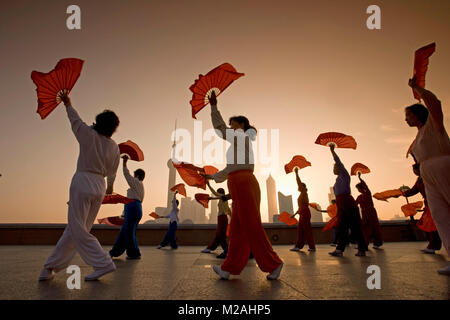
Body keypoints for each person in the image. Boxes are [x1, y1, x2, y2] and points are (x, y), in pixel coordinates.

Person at [39, 91, 120, 281]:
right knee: (75, 229)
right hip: (99, 186)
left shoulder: (88, 135)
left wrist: (68, 103)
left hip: (83, 181)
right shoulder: (114, 146)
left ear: (98, 122)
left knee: (78, 229)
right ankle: (50, 267)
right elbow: (113, 171)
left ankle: (104, 263)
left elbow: (75, 120)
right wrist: (109, 187)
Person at [202, 91, 283, 280]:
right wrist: (213, 176)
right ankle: (229, 268)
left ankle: (274, 264)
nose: (230, 127)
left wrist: (213, 107)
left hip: (243, 184)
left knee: (252, 226)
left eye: (233, 124)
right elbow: (232, 167)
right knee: (237, 229)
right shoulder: (239, 144)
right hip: (239, 183)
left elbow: (220, 129)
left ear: (242, 125)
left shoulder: (241, 137)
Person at [407, 78, 450, 275]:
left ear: (418, 114)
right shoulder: (417, 138)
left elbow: (435, 104)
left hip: (443, 166)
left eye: (408, 115)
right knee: (441, 216)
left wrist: (418, 89)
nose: (406, 119)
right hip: (428, 175)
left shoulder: (434, 124)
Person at [328, 144, 368, 257]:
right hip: (341, 203)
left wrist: (332, 151)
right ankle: (339, 250)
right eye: (333, 168)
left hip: (347, 202)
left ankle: (362, 249)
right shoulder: (337, 180)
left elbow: (338, 162)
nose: (334, 169)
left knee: (355, 225)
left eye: (335, 167)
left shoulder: (344, 175)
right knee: (341, 226)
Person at [109, 156, 145, 260]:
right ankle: (114, 252)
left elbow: (126, 175)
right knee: (127, 231)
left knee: (128, 232)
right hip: (136, 208)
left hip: (133, 207)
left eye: (134, 175)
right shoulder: (140, 186)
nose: (133, 177)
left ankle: (134, 253)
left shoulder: (136, 182)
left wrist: (124, 162)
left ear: (137, 176)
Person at [401, 163, 441, 254]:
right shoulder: (419, 179)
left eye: (415, 170)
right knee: (430, 225)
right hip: (428, 204)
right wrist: (402, 194)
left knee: (434, 225)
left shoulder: (428, 176)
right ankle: (432, 246)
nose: (414, 172)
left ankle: (433, 246)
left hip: (435, 201)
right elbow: (414, 190)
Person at [201, 181, 231, 258]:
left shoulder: (222, 197)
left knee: (221, 235)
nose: (217, 194)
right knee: (219, 235)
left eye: (218, 192)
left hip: (222, 218)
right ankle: (211, 248)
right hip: (223, 218)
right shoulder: (224, 200)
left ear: (220, 192)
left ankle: (227, 250)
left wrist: (209, 185)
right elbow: (229, 211)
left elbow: (215, 193)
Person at [290, 168, 316, 252]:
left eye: (300, 186)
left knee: (307, 229)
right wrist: (294, 215)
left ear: (303, 187)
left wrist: (296, 174)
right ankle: (298, 246)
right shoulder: (301, 194)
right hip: (302, 212)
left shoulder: (304, 193)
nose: (298, 187)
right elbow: (300, 207)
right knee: (300, 230)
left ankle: (312, 247)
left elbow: (298, 182)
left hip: (305, 212)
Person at [355, 172, 383, 249]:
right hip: (364, 213)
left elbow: (365, 186)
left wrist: (360, 178)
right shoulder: (359, 197)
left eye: (358, 188)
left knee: (374, 227)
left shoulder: (367, 193)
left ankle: (377, 243)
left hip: (371, 212)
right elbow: (354, 204)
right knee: (364, 228)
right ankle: (365, 243)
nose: (358, 190)